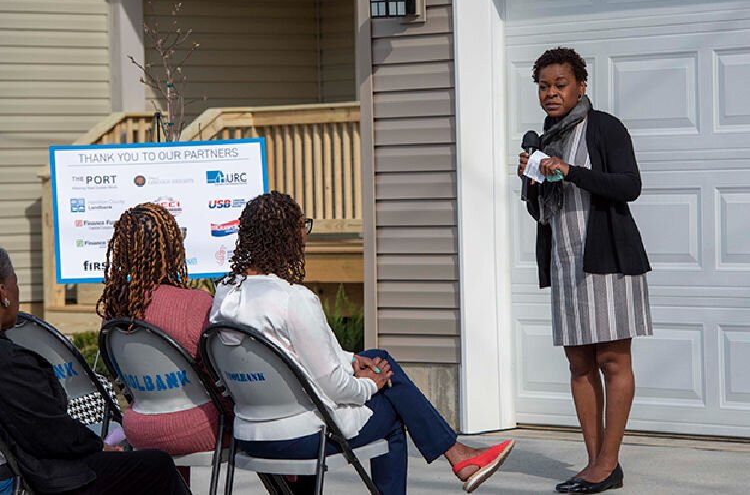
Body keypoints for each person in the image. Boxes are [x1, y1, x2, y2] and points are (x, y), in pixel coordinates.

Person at [209, 191, 515, 495]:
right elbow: (334, 387)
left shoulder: (225, 294)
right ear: (287, 239)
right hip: (302, 436)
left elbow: (287, 356)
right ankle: (458, 455)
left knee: (376, 356)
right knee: (394, 412)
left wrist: (352, 359)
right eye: (304, 229)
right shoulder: (293, 299)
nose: (305, 239)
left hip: (249, 434)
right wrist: (373, 384)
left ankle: (458, 454)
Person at [518, 47, 652, 494]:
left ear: (580, 86)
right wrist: (534, 180)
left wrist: (570, 170)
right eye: (543, 86)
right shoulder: (542, 138)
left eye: (560, 84)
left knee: (612, 360)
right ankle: (595, 463)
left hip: (608, 260)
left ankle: (608, 462)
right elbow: (540, 209)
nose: (551, 93)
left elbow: (629, 185)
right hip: (566, 260)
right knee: (578, 363)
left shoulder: (605, 127)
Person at [0, 247, 189, 495]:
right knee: (156, 465)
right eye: (16, 282)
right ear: (3, 290)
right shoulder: (10, 363)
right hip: (39, 474)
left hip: (29, 463)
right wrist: (96, 445)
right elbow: (50, 432)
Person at [96, 203, 224, 480]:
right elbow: (220, 369)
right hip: (200, 426)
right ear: (174, 247)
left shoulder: (115, 308)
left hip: (139, 424)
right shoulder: (196, 304)